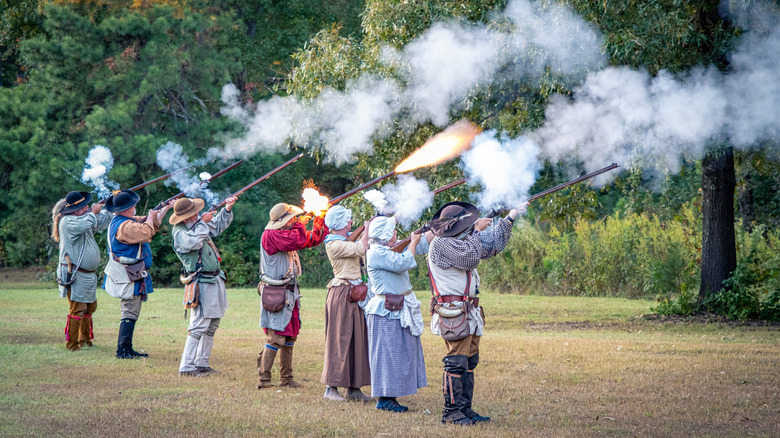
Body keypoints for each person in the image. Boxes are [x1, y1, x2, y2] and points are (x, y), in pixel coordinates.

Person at [426, 201, 525, 425]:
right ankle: (451, 413)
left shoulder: (460, 241)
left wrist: (510, 218)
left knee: (470, 361)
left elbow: (492, 246)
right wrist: (477, 232)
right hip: (453, 311)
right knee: (456, 361)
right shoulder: (442, 244)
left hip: (467, 310)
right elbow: (470, 257)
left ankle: (464, 409)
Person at [363, 216, 432, 412]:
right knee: (388, 356)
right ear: (385, 235)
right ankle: (384, 399)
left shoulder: (385, 250)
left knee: (398, 354)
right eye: (392, 231)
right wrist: (413, 243)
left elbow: (417, 248)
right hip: (386, 310)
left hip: (394, 308)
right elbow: (404, 262)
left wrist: (435, 230)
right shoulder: (377, 253)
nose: (395, 233)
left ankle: (390, 395)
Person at [257, 203, 328, 389]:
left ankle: (286, 379)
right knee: (276, 337)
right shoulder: (272, 235)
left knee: (289, 336)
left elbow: (310, 239)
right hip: (276, 292)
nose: (295, 221)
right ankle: (264, 380)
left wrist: (319, 218)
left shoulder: (285, 234)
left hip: (288, 292)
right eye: (292, 219)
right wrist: (299, 224)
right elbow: (296, 240)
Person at [170, 197, 236, 377]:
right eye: (194, 214)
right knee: (198, 326)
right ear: (185, 219)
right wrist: (201, 222)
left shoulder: (196, 225)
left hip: (214, 280)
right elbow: (193, 242)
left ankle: (202, 363)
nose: (198, 214)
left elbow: (216, 226)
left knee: (212, 324)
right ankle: (187, 367)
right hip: (201, 282)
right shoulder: (180, 232)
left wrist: (227, 209)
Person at [104, 189, 171, 359]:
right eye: (133, 205)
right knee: (129, 311)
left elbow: (146, 224)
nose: (135, 207)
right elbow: (146, 231)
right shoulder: (125, 225)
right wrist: (150, 216)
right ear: (127, 208)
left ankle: (127, 348)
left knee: (130, 310)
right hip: (127, 273)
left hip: (129, 272)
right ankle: (123, 351)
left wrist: (163, 210)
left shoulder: (123, 221)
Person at [320, 205, 372, 402]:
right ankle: (331, 388)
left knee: (357, 340)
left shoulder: (344, 239)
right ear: (341, 223)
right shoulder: (333, 244)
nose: (351, 222)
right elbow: (361, 248)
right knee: (339, 341)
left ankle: (354, 388)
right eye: (348, 220)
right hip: (342, 294)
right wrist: (366, 229)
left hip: (355, 294)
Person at [52, 191, 111, 351]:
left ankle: (85, 339)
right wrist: (92, 211)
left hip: (87, 274)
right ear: (74, 209)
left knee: (89, 308)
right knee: (77, 309)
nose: (86, 207)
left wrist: (112, 206)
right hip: (75, 274)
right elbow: (88, 220)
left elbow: (102, 221)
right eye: (83, 206)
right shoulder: (67, 221)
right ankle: (72, 345)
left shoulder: (83, 218)